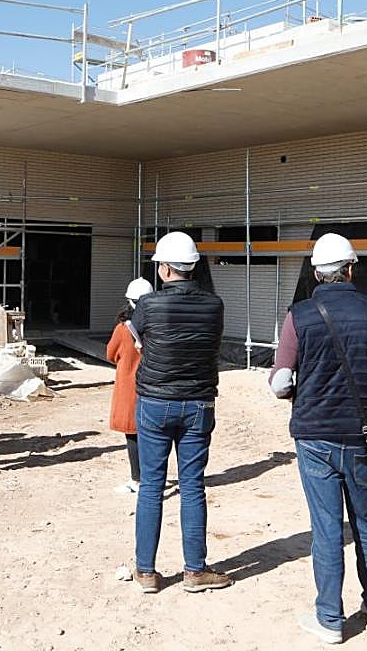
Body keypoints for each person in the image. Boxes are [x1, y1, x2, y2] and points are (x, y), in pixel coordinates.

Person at [269, 233, 367, 644]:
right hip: (364, 437)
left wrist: (298, 386)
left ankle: (330, 618)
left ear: (316, 273)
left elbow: (279, 383)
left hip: (314, 436)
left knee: (327, 528)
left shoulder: (300, 315)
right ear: (351, 269)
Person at [131, 231, 231, 594]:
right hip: (199, 403)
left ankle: (146, 572)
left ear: (164, 268)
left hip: (155, 402)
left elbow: (137, 340)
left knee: (152, 487)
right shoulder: (214, 305)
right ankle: (195, 570)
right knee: (192, 486)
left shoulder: (149, 304)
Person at [106, 277, 153, 494]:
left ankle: (137, 480)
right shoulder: (157, 326)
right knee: (153, 436)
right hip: (154, 386)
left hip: (129, 387)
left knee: (132, 434)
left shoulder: (123, 329)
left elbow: (110, 354)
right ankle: (153, 477)